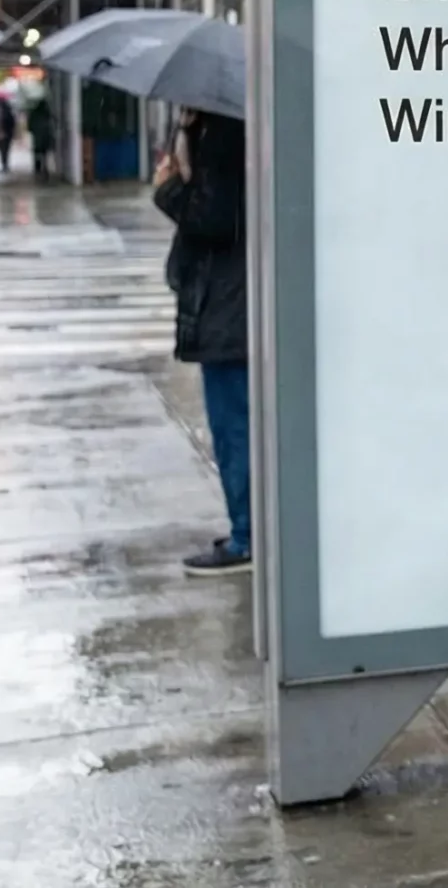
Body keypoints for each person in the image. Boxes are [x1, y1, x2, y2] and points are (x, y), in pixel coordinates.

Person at [155, 107, 252, 573]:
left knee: (234, 428)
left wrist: (170, 187)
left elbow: (215, 218)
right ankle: (249, 530)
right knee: (237, 426)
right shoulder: (218, 127)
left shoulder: (224, 131)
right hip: (230, 302)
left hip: (227, 306)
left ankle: (247, 537)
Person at [26, 96, 57, 182]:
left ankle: (38, 168)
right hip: (46, 136)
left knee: (37, 153)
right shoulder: (47, 113)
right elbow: (53, 123)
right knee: (45, 153)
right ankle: (45, 168)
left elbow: (29, 126)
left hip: (37, 137)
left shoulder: (34, 114)